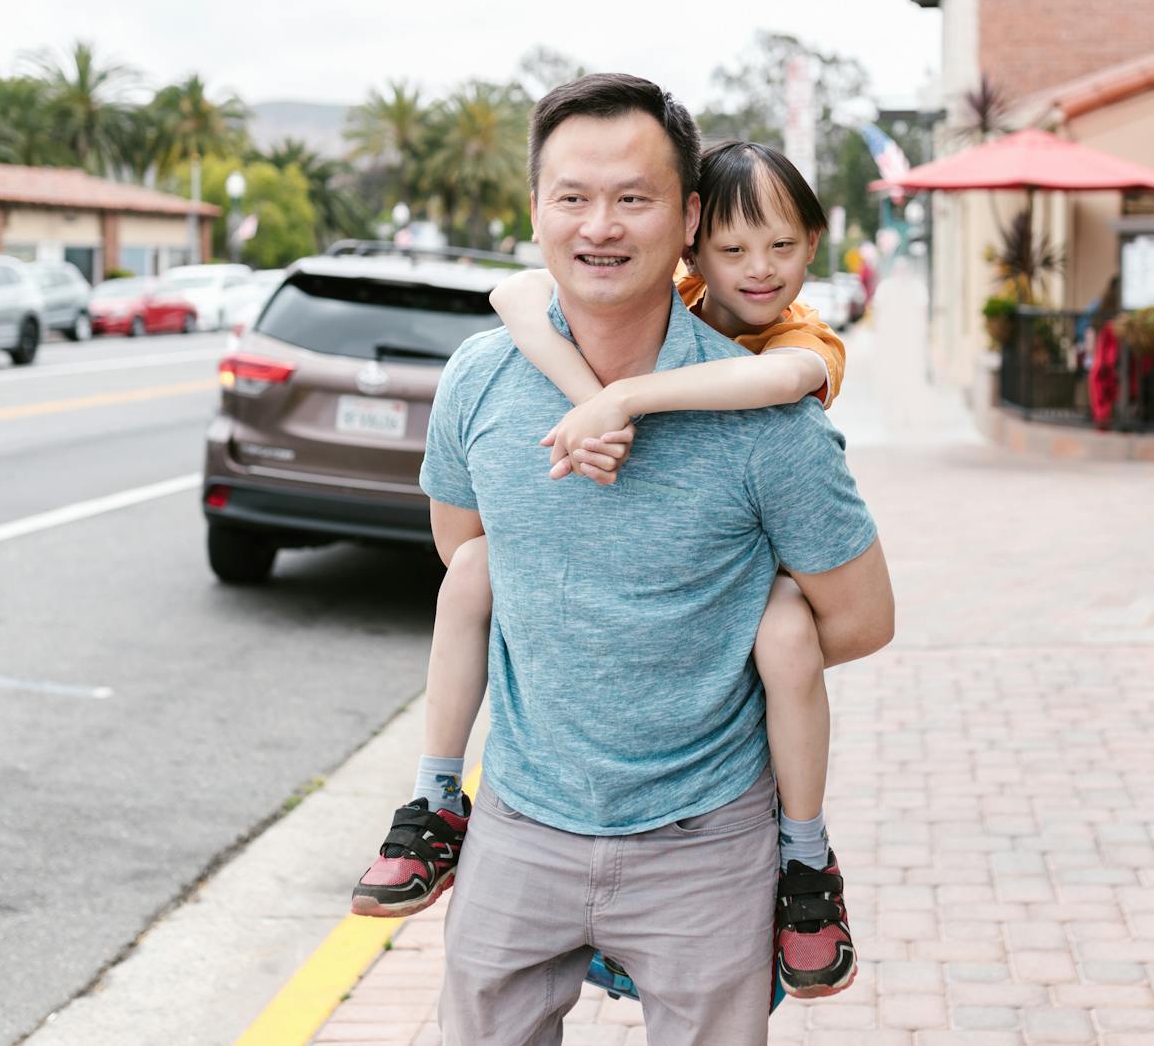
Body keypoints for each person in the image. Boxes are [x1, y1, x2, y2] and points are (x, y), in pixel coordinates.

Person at [369, 74, 894, 1044]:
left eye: (633, 197)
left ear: (687, 217)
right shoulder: (480, 379)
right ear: (535, 208)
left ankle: (805, 861)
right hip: (519, 822)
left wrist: (721, 645)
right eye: (572, 195)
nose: (600, 225)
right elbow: (468, 555)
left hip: (706, 839)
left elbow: (861, 619)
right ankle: (434, 805)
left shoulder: (769, 415)